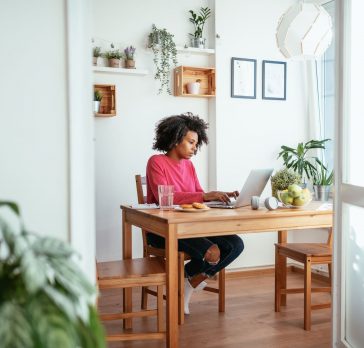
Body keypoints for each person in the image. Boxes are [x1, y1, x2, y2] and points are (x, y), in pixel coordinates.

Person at [146, 113, 244, 315]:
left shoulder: (189, 165)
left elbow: (198, 196)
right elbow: (164, 196)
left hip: (191, 227)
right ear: (175, 139)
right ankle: (187, 282)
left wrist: (219, 196)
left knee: (236, 244)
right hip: (163, 229)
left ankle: (189, 282)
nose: (194, 148)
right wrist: (205, 196)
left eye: (196, 144)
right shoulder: (156, 162)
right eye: (191, 142)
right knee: (212, 251)